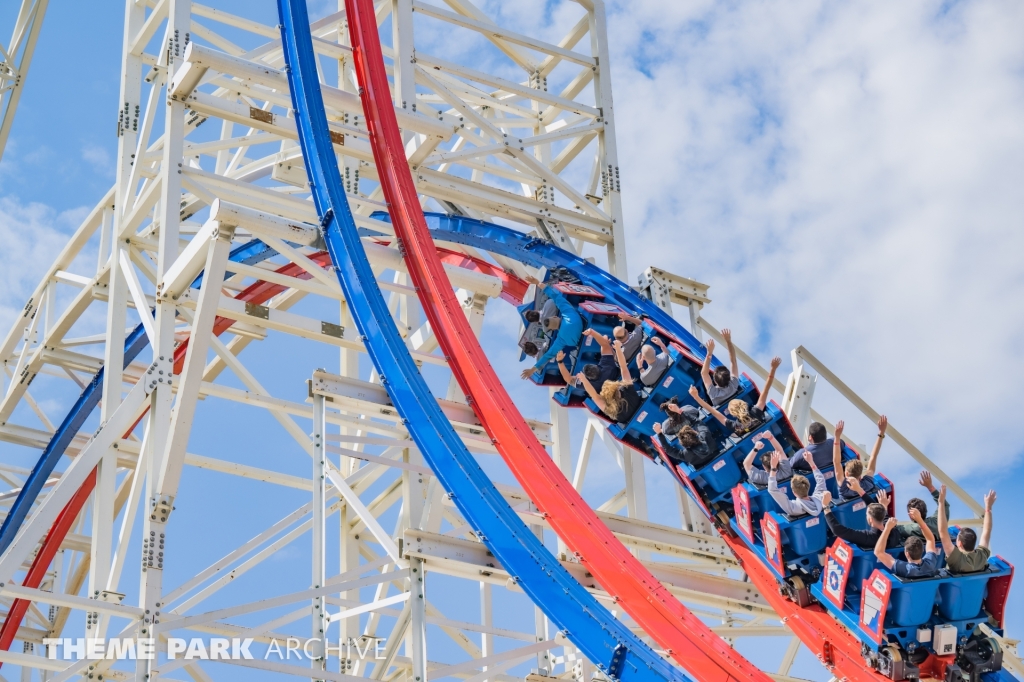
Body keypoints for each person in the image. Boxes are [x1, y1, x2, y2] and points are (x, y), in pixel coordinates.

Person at [520, 277, 583, 379]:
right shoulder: (567, 311)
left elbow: (547, 356)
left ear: (552, 329)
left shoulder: (560, 340)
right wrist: (537, 282)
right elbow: (553, 294)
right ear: (554, 317)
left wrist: (532, 370)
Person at [577, 339, 642, 423]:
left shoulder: (611, 411)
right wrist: (618, 349)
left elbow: (595, 396)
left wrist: (585, 381)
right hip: (638, 405)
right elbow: (623, 368)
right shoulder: (628, 392)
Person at [937, 485, 995, 574]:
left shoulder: (956, 558)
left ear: (959, 543)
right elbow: (987, 530)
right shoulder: (982, 556)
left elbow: (942, 531)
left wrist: (941, 503)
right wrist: (988, 507)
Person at [820, 490, 902, 550]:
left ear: (870, 519)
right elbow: (879, 512)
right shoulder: (893, 528)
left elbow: (838, 530)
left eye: (866, 514)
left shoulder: (870, 538)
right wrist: (859, 489)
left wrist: (825, 506)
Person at [874, 509, 940, 579]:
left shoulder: (905, 569)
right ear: (922, 550)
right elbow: (930, 539)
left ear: (907, 554)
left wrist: (887, 529)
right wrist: (920, 520)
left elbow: (878, 552)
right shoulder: (930, 563)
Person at [767, 451, 826, 517]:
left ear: (794, 493)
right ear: (808, 486)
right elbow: (821, 480)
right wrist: (811, 461)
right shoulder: (821, 499)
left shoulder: (793, 508)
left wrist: (773, 467)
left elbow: (772, 490)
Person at [831, 420, 878, 500]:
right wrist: (881, 434)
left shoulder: (844, 487)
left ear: (846, 473)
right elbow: (873, 456)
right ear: (860, 475)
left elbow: (837, 462)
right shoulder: (868, 484)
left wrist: (837, 437)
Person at [898, 471, 950, 540]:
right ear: (926, 510)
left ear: (911, 515)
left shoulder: (910, 529)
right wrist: (930, 487)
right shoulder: (936, 522)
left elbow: (890, 528)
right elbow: (944, 506)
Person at [700, 329, 740, 406]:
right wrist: (728, 341)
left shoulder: (714, 395)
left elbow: (704, 373)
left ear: (715, 381)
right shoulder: (733, 385)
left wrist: (709, 352)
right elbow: (733, 361)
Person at [653, 422, 719, 468]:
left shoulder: (686, 455)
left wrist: (659, 433)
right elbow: (698, 422)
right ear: (695, 432)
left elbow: (668, 450)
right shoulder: (705, 435)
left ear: (683, 444)